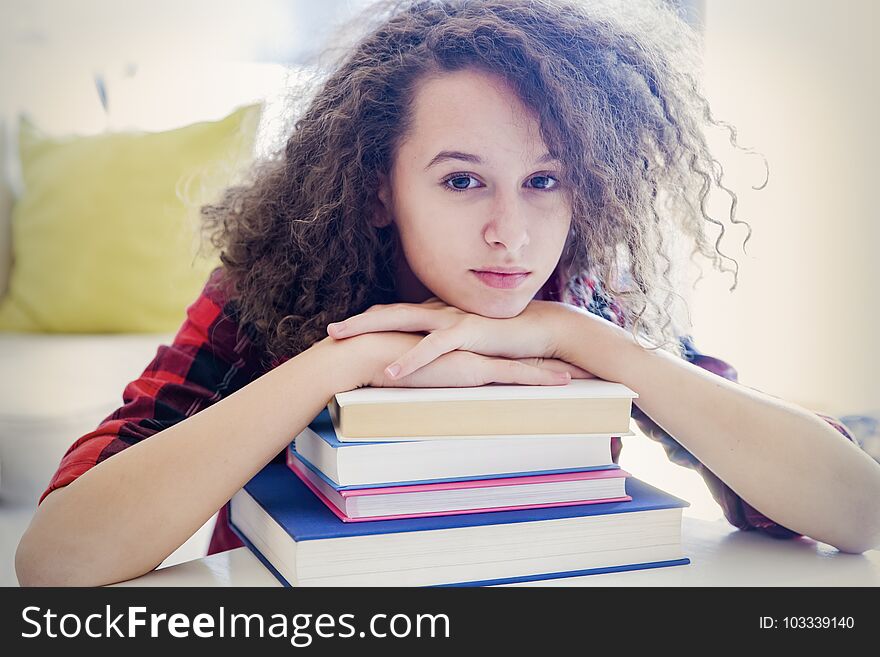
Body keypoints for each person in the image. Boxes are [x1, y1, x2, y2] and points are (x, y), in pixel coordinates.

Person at [16, 0, 879, 586]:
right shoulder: (270, 288)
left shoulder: (584, 298)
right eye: (464, 182)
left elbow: (855, 508)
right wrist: (340, 361)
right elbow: (56, 557)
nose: (514, 233)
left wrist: (587, 340)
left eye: (546, 180)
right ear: (377, 186)